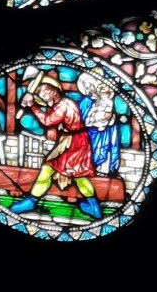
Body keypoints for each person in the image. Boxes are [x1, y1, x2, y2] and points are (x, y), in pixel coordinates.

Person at [10, 69, 102, 220]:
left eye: (42, 93)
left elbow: (48, 121)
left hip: (73, 143)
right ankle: (93, 206)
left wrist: (32, 106)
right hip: (75, 141)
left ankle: (32, 201)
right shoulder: (65, 102)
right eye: (39, 95)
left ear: (52, 91)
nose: (42, 98)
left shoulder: (63, 106)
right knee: (63, 172)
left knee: (74, 174)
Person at [77, 73, 122, 175]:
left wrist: (105, 118)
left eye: (91, 85)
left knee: (104, 149)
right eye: (86, 87)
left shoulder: (106, 100)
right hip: (90, 132)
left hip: (105, 131)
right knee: (92, 151)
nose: (90, 88)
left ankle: (104, 171)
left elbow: (109, 115)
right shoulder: (85, 101)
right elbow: (81, 118)